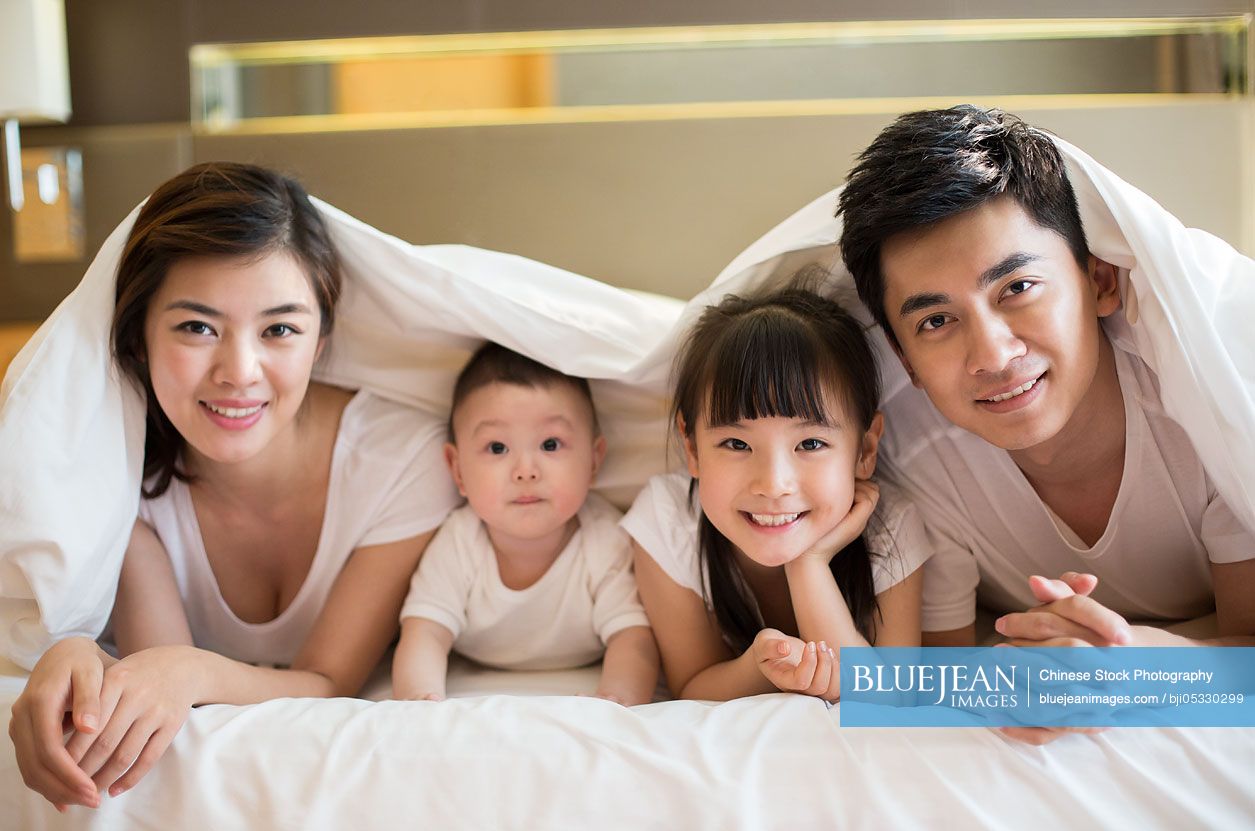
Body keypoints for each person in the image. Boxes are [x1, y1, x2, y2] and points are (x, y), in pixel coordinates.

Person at [7, 162, 460, 808]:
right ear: (138, 336)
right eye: (197, 327)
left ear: (321, 339)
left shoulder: (403, 460)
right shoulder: (116, 481)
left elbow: (330, 680)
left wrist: (189, 669)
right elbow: (154, 690)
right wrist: (73, 652)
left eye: (279, 329)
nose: (239, 371)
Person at [837, 105, 1255, 741]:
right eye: (935, 321)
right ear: (905, 361)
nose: (994, 356)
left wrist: (1131, 667)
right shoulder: (916, 463)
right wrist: (1018, 681)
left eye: (1018, 287)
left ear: (1100, 281)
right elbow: (935, 677)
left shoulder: (1210, 405)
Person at [622, 284, 928, 702]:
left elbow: (892, 698)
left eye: (810, 444)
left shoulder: (892, 525)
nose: (773, 484)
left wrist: (810, 563)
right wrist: (760, 668)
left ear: (865, 449)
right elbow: (692, 685)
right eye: (736, 444)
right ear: (691, 448)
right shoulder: (669, 518)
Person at [392, 343, 659, 706]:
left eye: (550, 444)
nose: (526, 470)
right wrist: (419, 700)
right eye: (497, 448)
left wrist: (615, 700)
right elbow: (425, 633)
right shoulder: (460, 541)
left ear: (594, 461)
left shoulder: (605, 540)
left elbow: (633, 639)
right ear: (457, 469)